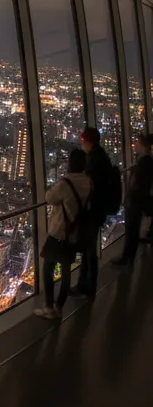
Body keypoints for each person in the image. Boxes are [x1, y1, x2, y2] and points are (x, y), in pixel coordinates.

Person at [36, 149, 91, 319]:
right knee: (66, 270)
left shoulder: (65, 183)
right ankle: (60, 305)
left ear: (70, 163)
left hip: (59, 231)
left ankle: (48, 307)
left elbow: (49, 198)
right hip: (76, 232)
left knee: (48, 269)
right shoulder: (89, 182)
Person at [78, 126, 116, 296]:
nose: (82, 145)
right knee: (88, 249)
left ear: (89, 142)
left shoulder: (94, 161)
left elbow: (91, 187)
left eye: (83, 141)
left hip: (92, 211)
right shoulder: (102, 158)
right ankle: (85, 284)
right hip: (97, 210)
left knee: (89, 250)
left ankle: (87, 285)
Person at [116, 134, 153, 265]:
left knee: (131, 229)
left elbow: (139, 184)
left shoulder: (144, 162)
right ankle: (129, 257)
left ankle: (127, 257)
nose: (135, 145)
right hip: (138, 201)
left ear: (143, 146)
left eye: (137, 143)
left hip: (135, 202)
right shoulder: (146, 161)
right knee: (133, 229)